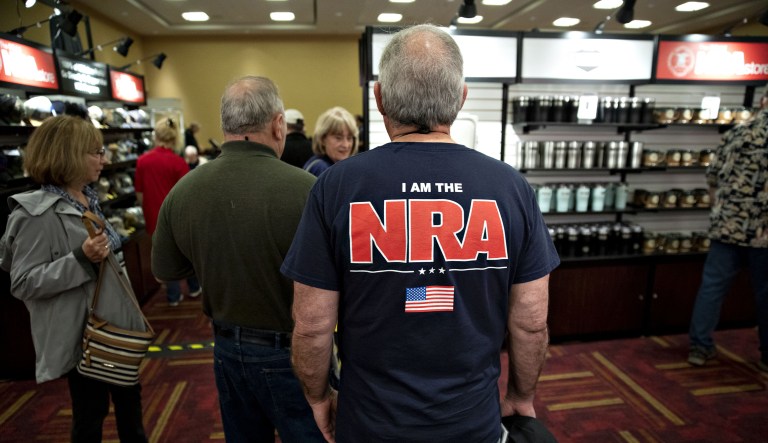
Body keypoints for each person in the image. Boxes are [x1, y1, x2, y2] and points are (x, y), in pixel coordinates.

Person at [281, 24, 560, 442]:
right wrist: (521, 395)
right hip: (472, 424)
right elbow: (531, 322)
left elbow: (311, 324)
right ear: (461, 98)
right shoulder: (510, 188)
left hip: (370, 424)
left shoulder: (338, 186)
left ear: (379, 98)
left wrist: (318, 398)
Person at [150, 76, 324, 442]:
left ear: (225, 125)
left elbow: (166, 269)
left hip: (226, 348)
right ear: (279, 124)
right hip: (295, 350)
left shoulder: (185, 190)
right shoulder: (307, 190)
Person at [0, 115, 149, 442]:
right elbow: (23, 282)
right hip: (84, 336)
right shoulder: (34, 214)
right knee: (91, 415)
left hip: (114, 327)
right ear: (68, 154)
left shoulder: (88, 198)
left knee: (130, 406)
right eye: (95, 152)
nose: (104, 159)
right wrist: (80, 258)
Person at [688, 85, 768, 372]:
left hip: (727, 226)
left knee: (712, 288)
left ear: (762, 101)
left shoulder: (737, 132)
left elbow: (712, 177)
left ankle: (699, 346)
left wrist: (720, 211)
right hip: (763, 232)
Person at [134, 117, 200, 306]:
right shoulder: (178, 162)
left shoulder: (142, 161)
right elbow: (188, 194)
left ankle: (173, 296)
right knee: (185, 252)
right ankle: (194, 287)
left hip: (153, 215)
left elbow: (139, 194)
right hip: (177, 217)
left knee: (163, 254)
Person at [302, 106, 358, 176]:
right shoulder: (320, 168)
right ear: (323, 139)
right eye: (338, 138)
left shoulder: (335, 166)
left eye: (349, 138)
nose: (345, 145)